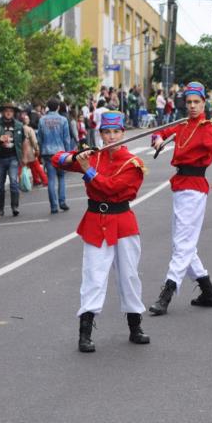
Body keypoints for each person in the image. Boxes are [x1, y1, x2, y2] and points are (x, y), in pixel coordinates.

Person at [52, 111, 150, 353]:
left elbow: (112, 188)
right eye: (107, 132)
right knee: (93, 276)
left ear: (123, 133)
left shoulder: (133, 163)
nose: (112, 136)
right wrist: (76, 155)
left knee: (129, 276)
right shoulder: (92, 156)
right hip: (96, 221)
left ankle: (135, 325)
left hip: (123, 221)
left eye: (116, 132)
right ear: (101, 134)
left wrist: (87, 170)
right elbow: (56, 159)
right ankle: (84, 331)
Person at [148, 82, 212, 316]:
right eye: (189, 102)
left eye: (197, 102)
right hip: (180, 186)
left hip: (194, 188)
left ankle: (167, 292)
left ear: (204, 103)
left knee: (183, 243)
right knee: (182, 243)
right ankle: (208, 292)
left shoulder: (207, 127)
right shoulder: (182, 124)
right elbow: (161, 132)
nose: (192, 106)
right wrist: (157, 138)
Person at [0, 102, 25, 217]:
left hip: (14, 158)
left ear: (13, 113)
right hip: (0, 158)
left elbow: (24, 141)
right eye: (6, 110)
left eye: (11, 111)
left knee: (13, 182)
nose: (8, 112)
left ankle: (14, 207)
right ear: (2, 112)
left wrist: (25, 157)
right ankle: (0, 209)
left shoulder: (19, 125)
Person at [38, 98, 73, 213]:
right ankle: (62, 202)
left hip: (47, 152)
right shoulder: (63, 120)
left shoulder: (42, 120)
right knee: (61, 177)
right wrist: (68, 154)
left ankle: (53, 206)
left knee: (51, 180)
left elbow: (40, 138)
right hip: (60, 152)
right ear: (58, 107)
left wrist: (41, 152)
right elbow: (66, 139)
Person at [20, 112, 47, 188]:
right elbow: (34, 141)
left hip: (21, 151)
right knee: (36, 166)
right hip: (29, 150)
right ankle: (44, 180)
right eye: (27, 118)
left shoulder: (18, 128)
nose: (28, 120)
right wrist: (37, 149)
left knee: (23, 167)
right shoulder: (29, 129)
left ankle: (35, 180)